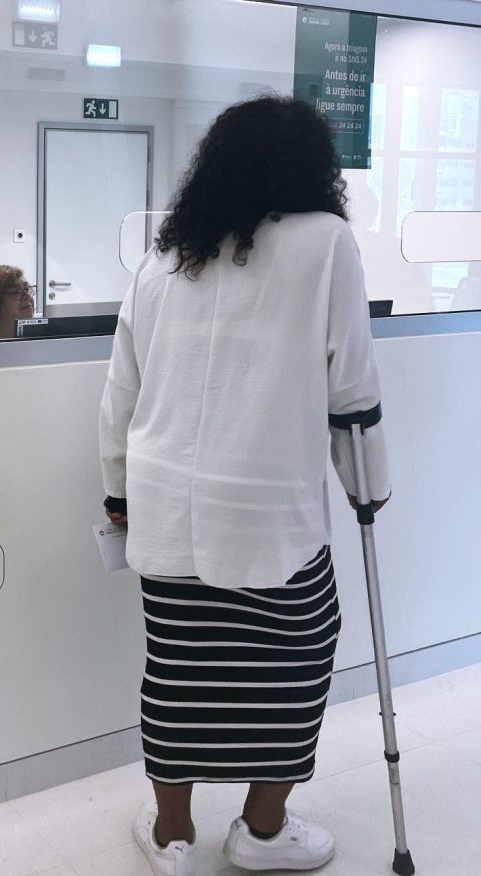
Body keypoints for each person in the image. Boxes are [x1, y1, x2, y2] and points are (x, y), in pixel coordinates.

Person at [99, 95, 391, 876]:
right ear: (309, 167)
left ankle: (172, 839)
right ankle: (262, 832)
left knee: (179, 673)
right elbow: (352, 385)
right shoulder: (326, 243)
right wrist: (368, 483)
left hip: (165, 506)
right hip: (269, 512)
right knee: (296, 663)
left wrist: (117, 491)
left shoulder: (167, 255)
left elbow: (121, 388)